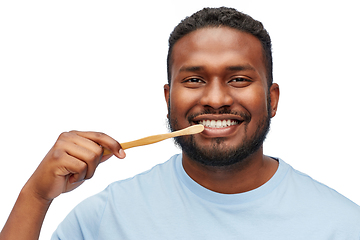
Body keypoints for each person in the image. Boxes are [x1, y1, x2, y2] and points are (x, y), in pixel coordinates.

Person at [1, 7, 360, 240]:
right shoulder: (106, 218)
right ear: (168, 98)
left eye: (238, 79)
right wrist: (35, 196)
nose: (216, 99)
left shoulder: (342, 225)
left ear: (272, 98)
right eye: (194, 80)